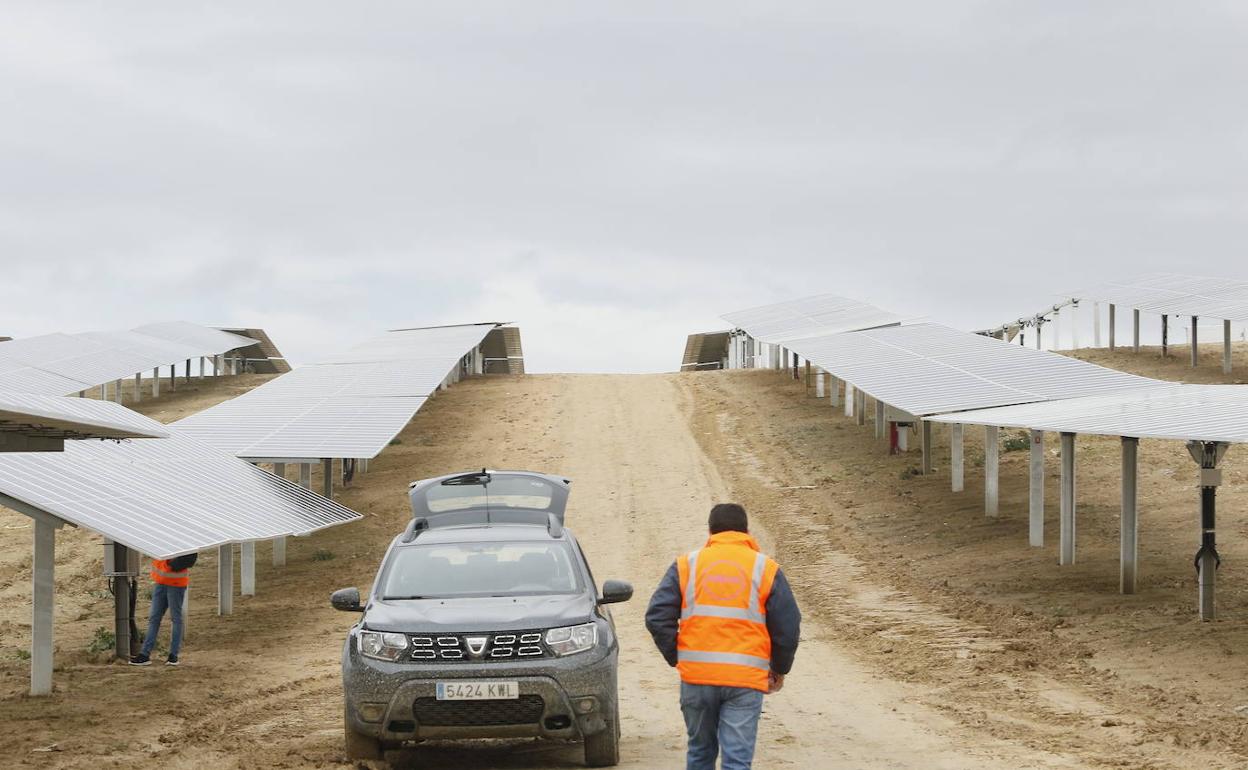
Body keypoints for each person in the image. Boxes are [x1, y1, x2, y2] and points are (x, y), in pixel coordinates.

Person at [645, 503, 800, 770]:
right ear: (746, 531)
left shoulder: (687, 565)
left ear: (710, 531)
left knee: (700, 752)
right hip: (745, 680)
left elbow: (656, 616)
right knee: (737, 762)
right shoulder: (765, 569)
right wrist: (779, 668)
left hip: (698, 677)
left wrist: (678, 657)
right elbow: (788, 626)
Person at [129, 552, 195, 666]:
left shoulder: (176, 540)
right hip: (161, 582)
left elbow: (189, 558)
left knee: (174, 619)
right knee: (155, 619)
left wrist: (171, 564)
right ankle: (145, 654)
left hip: (175, 584)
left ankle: (173, 655)